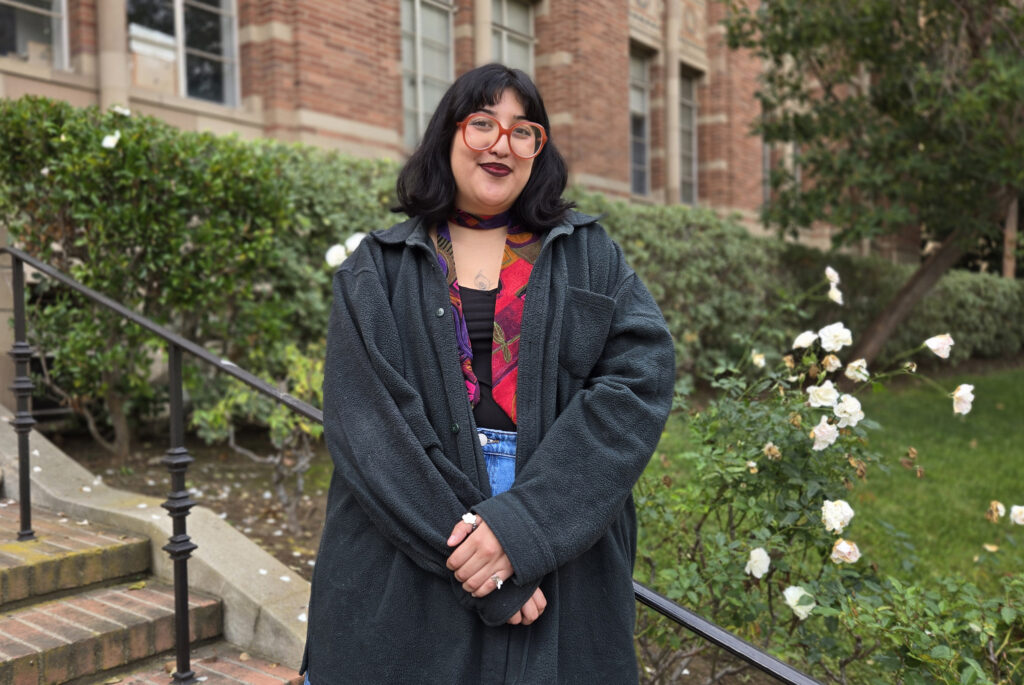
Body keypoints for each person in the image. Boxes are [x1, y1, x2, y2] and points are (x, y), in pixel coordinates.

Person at [300, 63, 675, 684]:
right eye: (482, 124)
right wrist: (481, 555)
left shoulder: (590, 255)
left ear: (538, 152)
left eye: (522, 130)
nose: (501, 143)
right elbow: (368, 429)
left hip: (560, 524)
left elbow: (640, 383)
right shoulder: (377, 269)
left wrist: (525, 528)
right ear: (447, 136)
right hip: (407, 527)